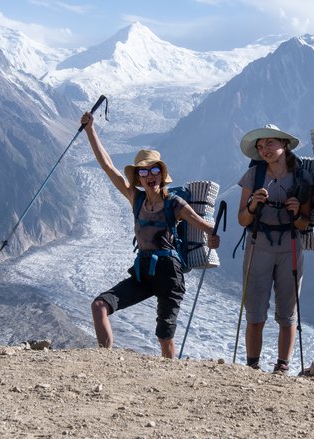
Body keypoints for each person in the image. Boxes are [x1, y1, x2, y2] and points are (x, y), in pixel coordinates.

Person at [80, 112, 220, 358]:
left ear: (161, 173)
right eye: (143, 172)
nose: (149, 176)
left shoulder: (174, 204)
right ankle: (104, 361)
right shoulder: (136, 198)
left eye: (153, 170)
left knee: (164, 335)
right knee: (99, 305)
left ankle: (170, 380)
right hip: (144, 270)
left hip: (169, 273)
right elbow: (107, 167)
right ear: (139, 177)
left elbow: (203, 225)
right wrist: (91, 130)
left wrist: (212, 236)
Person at [237, 124, 313, 373]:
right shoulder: (254, 176)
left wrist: (295, 213)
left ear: (284, 143)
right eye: (260, 146)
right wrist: (251, 206)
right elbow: (242, 220)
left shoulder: (302, 177)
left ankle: (282, 365)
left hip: (288, 245)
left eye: (269, 143)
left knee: (287, 310)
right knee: (255, 310)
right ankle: (253, 365)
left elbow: (304, 222)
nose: (264, 149)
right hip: (259, 245)